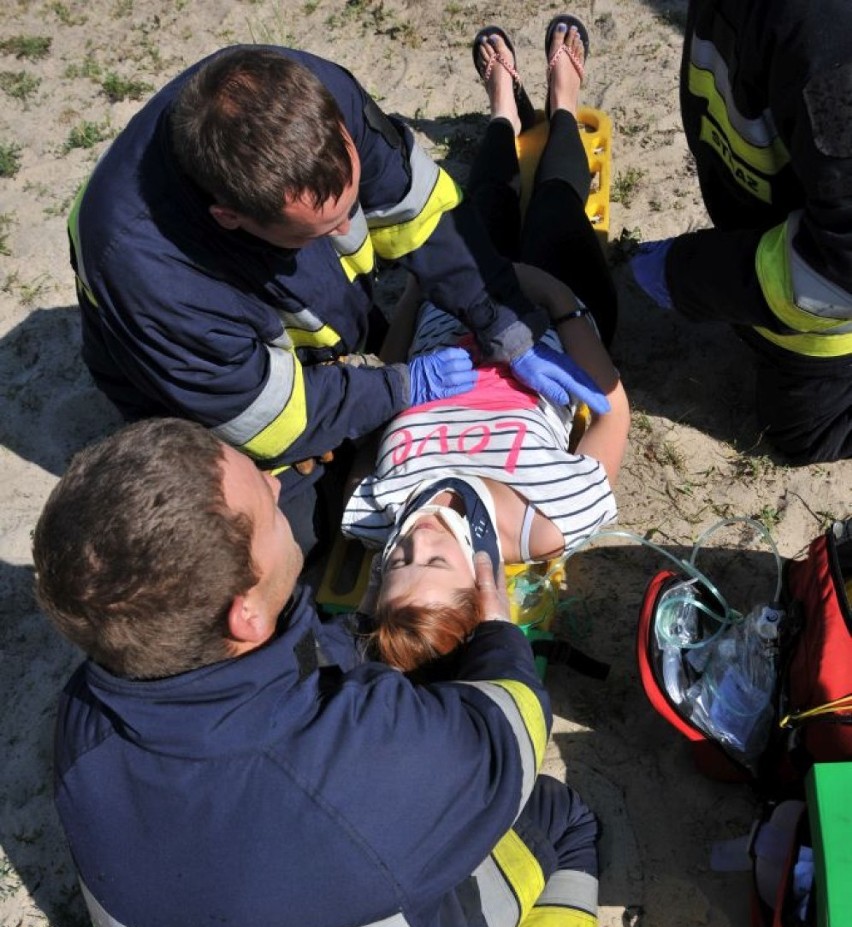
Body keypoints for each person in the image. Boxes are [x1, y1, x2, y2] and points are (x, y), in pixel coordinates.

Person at [33, 414, 690, 927]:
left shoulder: (84, 718)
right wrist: (492, 632)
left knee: (182, 873)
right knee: (556, 821)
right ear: (243, 616)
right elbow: (510, 737)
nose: (280, 486)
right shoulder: (366, 766)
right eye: (270, 509)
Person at [69, 42, 611, 552]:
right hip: (197, 375)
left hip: (365, 322)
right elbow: (266, 414)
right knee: (284, 530)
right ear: (230, 217)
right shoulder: (151, 276)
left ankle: (512, 114)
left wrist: (502, 317)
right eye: (318, 229)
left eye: (351, 205)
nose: (347, 231)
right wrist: (397, 385)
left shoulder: (309, 92)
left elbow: (421, 213)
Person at [342, 18, 629, 670]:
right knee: (555, 208)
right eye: (434, 558)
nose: (414, 537)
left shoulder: (373, 509)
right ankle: (562, 103)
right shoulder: (549, 519)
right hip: (558, 313)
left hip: (452, 302)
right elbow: (612, 408)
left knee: (481, 207)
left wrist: (420, 292)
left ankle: (503, 107)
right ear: (485, 582)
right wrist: (556, 299)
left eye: (397, 560)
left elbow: (383, 393)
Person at [631, 0, 852, 464]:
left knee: (803, 433)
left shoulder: (838, 57)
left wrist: (689, 276)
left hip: (828, 306)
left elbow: (840, 270)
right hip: (772, 242)